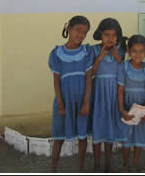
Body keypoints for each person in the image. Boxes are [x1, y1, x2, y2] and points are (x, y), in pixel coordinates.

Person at [48, 15, 94, 172]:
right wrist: (60, 104)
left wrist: (86, 103)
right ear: (69, 29)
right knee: (59, 136)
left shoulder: (87, 52)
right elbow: (56, 80)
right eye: (78, 30)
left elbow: (88, 79)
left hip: (82, 100)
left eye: (84, 32)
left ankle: (80, 168)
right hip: (64, 101)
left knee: (82, 136)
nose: (80, 35)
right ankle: (53, 168)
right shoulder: (56, 53)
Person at [90, 18, 128, 172]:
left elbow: (124, 73)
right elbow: (90, 74)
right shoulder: (92, 50)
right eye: (106, 35)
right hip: (98, 93)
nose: (110, 39)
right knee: (98, 128)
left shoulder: (121, 51)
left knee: (110, 128)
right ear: (100, 35)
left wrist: (119, 59)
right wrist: (99, 57)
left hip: (114, 94)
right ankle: (97, 164)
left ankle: (107, 164)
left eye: (114, 35)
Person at [117, 35, 145, 173]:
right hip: (127, 105)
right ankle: (125, 165)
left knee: (138, 139)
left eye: (141, 51)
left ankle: (134, 166)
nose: (138, 54)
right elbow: (120, 90)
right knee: (126, 139)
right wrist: (121, 110)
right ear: (128, 51)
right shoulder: (123, 67)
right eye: (134, 51)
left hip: (141, 107)